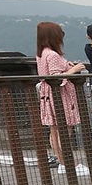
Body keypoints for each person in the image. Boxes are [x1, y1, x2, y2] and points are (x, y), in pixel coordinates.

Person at [35, 22, 84, 169]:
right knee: (64, 129)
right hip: (59, 95)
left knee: (54, 130)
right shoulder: (53, 54)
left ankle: (62, 162)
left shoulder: (42, 53)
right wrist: (74, 69)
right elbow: (56, 77)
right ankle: (69, 164)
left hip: (47, 94)